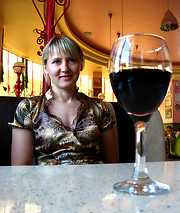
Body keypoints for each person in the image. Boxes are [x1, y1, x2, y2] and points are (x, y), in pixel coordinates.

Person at [10, 36, 118, 165]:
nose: (65, 68)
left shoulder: (100, 108)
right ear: (45, 68)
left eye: (72, 60)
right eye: (56, 61)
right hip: (46, 184)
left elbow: (113, 165)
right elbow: (20, 170)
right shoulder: (29, 108)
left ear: (81, 65)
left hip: (95, 183)